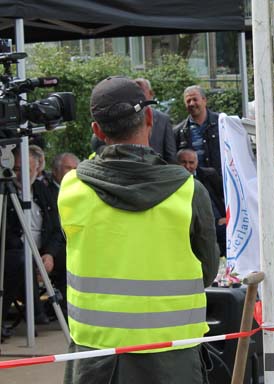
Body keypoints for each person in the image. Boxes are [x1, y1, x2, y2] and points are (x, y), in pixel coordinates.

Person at [59, 76, 219, 383]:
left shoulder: (71, 187)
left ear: (97, 130)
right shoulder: (189, 190)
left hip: (96, 357)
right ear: (149, 118)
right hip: (173, 357)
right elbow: (208, 271)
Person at [3, 145, 66, 326]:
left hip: (43, 250)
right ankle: (36, 313)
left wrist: (50, 254)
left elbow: (56, 228)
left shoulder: (41, 189)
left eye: (27, 169)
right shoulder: (6, 191)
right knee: (21, 260)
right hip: (18, 251)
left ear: (36, 169)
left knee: (69, 256)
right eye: (16, 169)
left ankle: (63, 310)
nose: (21, 174)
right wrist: (34, 257)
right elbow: (6, 233)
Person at [90, 78, 177, 163]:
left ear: (97, 131)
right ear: (149, 117)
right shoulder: (182, 177)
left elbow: (171, 155)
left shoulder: (79, 176)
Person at [177, 148, 226, 255]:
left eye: (191, 162)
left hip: (219, 222)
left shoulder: (209, 175)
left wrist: (228, 217)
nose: (187, 166)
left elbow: (226, 196)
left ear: (197, 162)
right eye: (183, 162)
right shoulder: (173, 181)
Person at [174, 85, 222, 174]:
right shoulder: (179, 132)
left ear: (204, 100)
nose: (192, 104)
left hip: (219, 182)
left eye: (195, 99)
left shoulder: (221, 124)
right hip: (194, 183)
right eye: (188, 101)